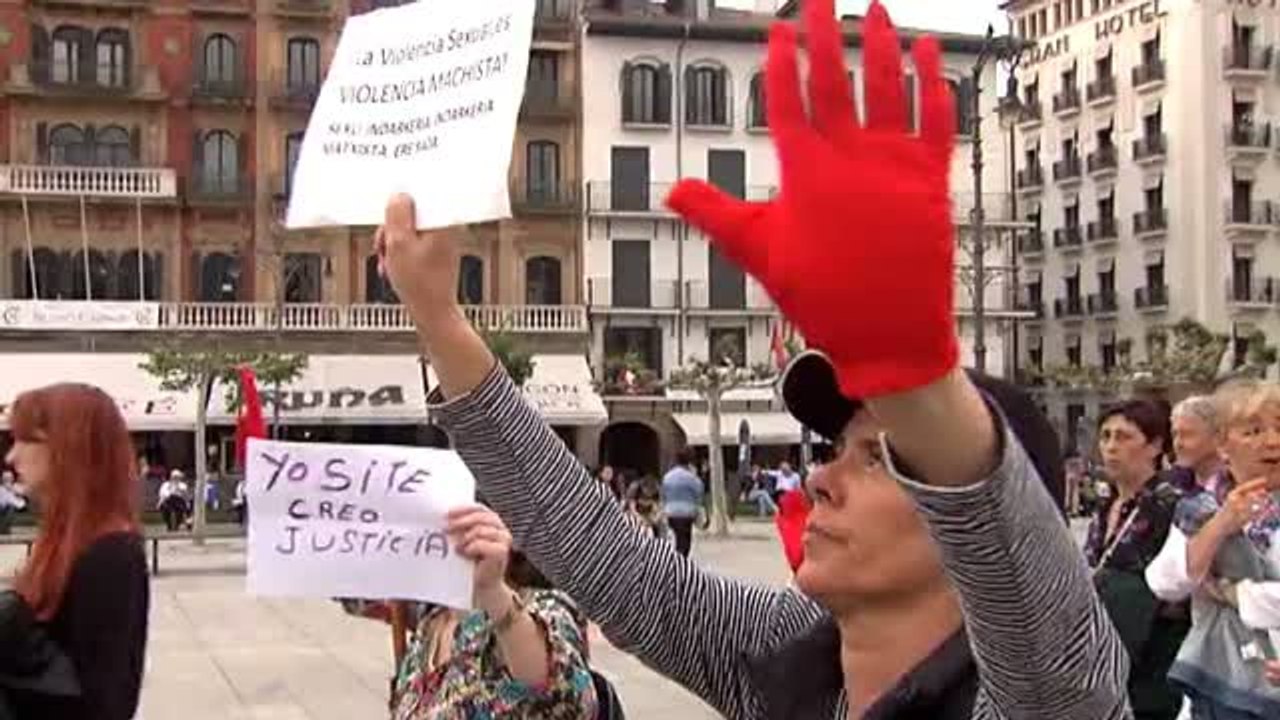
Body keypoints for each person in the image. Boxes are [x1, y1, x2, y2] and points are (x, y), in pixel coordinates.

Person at [377, 1, 1127, 715]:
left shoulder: (1041, 700)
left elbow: (1028, 588)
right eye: (837, 450)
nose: (820, 479)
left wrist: (915, 373)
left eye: (875, 459)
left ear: (969, 527)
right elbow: (597, 550)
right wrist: (437, 317)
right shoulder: (784, 659)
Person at [343, 505, 601, 719]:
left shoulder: (543, 611)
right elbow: (357, 592)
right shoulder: (432, 623)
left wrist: (491, 590)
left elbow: (559, 690)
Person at [4, 383, 149, 719]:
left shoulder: (111, 552)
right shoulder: (64, 538)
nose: (12, 456)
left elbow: (105, 702)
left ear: (69, 448)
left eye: (26, 440)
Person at [1146, 380, 1280, 718]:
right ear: (1222, 444)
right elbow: (1166, 582)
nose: (1272, 441)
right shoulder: (1201, 508)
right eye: (1252, 431)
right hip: (1217, 691)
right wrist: (1222, 524)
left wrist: (1231, 592)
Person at [1084, 401, 1190, 719]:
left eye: (1124, 437)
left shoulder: (1172, 503)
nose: (1111, 447)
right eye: (1105, 436)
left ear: (1155, 445)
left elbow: (1185, 582)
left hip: (1154, 657)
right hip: (1106, 652)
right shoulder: (1106, 504)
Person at [1170, 396, 1223, 493]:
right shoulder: (1171, 486)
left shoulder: (1236, 486)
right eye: (1174, 434)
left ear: (1217, 437)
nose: (1178, 443)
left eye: (1187, 434)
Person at [661, 449, 704, 558]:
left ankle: (676, 558)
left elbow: (663, 494)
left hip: (671, 511)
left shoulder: (668, 477)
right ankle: (681, 560)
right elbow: (699, 492)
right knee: (685, 540)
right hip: (687, 512)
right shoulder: (691, 477)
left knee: (676, 537)